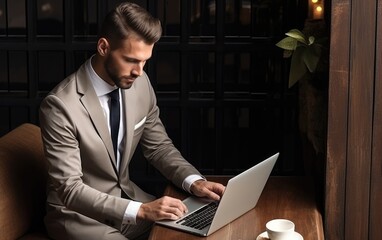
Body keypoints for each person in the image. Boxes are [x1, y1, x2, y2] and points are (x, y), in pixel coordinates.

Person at [39, 2, 225, 240]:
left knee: (205, 228)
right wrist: (143, 210)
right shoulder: (60, 106)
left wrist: (194, 182)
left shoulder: (140, 83)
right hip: (78, 217)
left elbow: (159, 147)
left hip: (128, 201)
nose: (139, 71)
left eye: (145, 61)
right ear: (104, 47)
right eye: (131, 60)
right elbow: (70, 190)